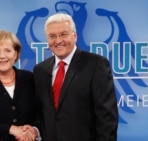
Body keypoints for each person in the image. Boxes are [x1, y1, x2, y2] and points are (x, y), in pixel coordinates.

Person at [33, 13, 118, 141]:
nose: (58, 40)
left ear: (75, 36)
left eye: (63, 34)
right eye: (52, 36)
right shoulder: (40, 70)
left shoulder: (96, 65)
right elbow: (41, 113)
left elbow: (107, 117)